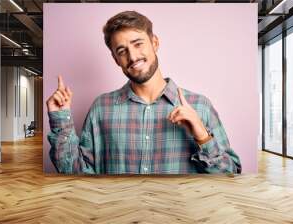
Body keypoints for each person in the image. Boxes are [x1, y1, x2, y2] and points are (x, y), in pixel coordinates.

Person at [46, 10, 242, 174]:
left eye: (138, 44)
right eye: (122, 51)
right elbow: (76, 174)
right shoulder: (101, 108)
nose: (132, 56)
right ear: (116, 59)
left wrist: (202, 136)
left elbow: (230, 175)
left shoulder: (200, 106)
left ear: (154, 43)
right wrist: (60, 119)